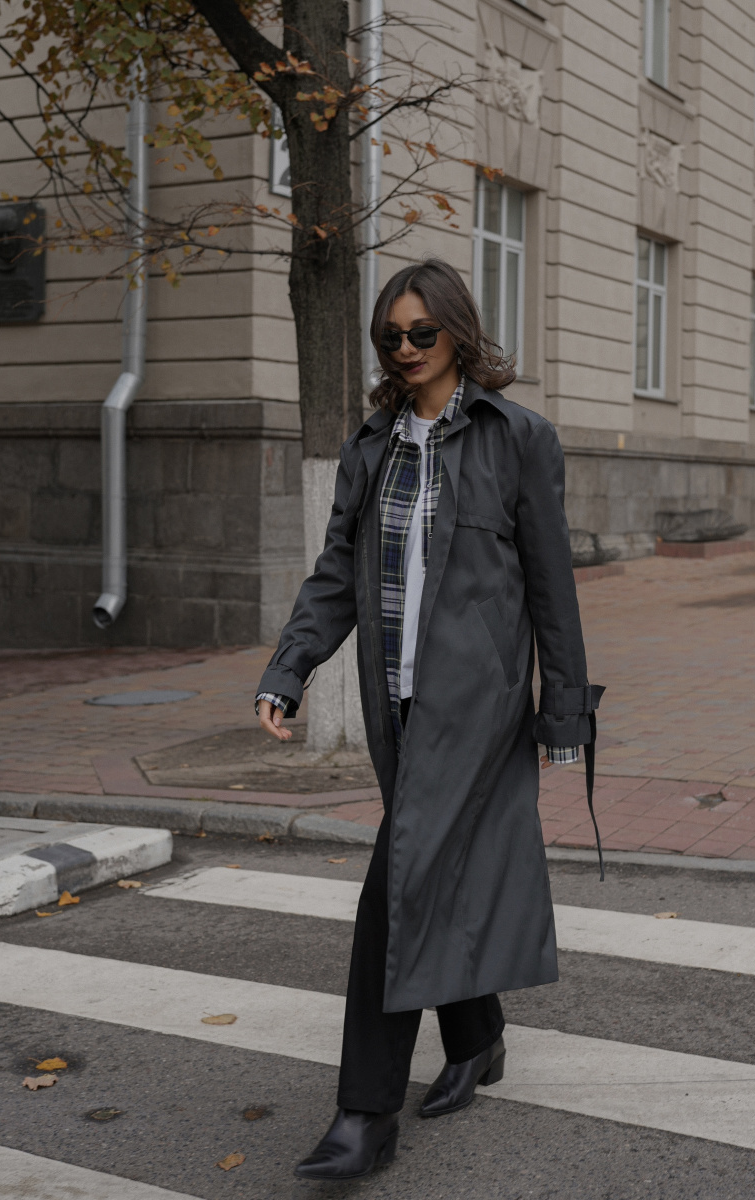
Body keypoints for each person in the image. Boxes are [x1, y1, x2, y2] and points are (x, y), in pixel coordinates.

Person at [255, 257, 603, 1181]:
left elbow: (551, 586)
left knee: (396, 885)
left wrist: (564, 711)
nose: (405, 349)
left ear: (457, 331)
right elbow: (337, 575)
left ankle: (364, 1114)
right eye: (391, 337)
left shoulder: (517, 438)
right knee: (435, 867)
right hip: (397, 703)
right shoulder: (372, 446)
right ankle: (479, 1036)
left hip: (480, 707)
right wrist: (290, 670)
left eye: (422, 332)